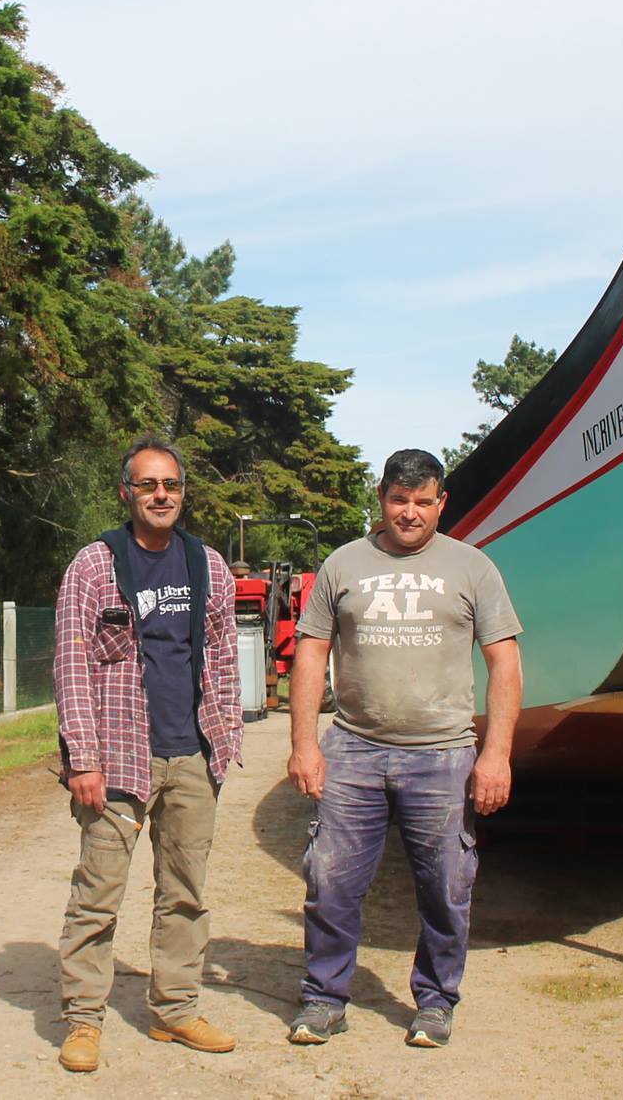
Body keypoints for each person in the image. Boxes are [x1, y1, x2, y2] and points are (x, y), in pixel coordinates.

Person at [284, 447, 523, 1049]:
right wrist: (304, 745)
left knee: (446, 886)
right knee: (330, 880)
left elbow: (505, 662)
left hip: (443, 756)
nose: (409, 513)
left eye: (422, 501)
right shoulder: (343, 564)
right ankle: (323, 998)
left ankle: (436, 1002)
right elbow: (310, 652)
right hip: (354, 750)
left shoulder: (473, 568)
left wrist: (496, 755)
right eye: (399, 500)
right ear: (382, 498)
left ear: (442, 503)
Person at [52, 436, 244, 1073]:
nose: (161, 495)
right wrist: (83, 759)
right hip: (118, 759)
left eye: (171, 485)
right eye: (148, 485)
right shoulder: (94, 564)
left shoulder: (207, 564)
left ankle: (175, 1010)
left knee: (185, 893)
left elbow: (223, 656)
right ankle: (84, 1021)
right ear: (126, 493)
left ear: (182, 492)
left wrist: (226, 739)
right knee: (98, 895)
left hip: (192, 756)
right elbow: (71, 665)